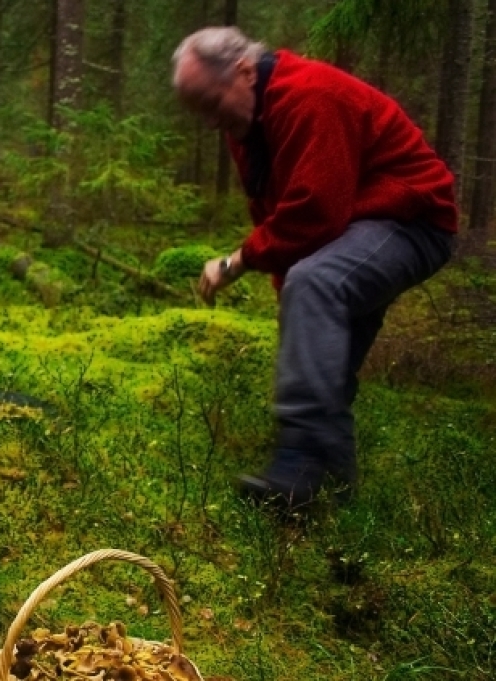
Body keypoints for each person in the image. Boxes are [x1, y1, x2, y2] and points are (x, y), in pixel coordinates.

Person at [171, 27, 457, 511]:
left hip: (412, 219)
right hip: (356, 225)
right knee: (329, 354)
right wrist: (293, 297)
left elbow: (315, 214)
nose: (209, 121)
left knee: (317, 281)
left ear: (243, 70)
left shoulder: (310, 96)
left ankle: (299, 458)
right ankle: (334, 493)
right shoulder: (245, 124)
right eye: (199, 110)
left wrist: (236, 261)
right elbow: (275, 215)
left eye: (211, 103)